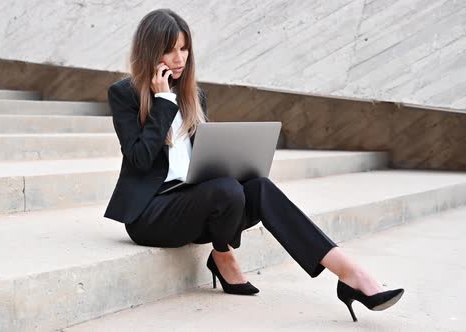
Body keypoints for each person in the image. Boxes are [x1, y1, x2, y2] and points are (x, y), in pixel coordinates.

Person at [103, 8, 404, 322]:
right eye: (169, 49)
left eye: (184, 48)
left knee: (258, 187)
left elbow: (203, 158)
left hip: (197, 204)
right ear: (150, 51)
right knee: (226, 190)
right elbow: (138, 159)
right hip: (152, 214)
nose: (180, 58)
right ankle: (223, 254)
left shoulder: (195, 96)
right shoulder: (124, 94)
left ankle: (350, 274)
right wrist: (163, 103)